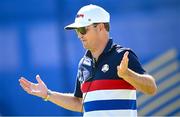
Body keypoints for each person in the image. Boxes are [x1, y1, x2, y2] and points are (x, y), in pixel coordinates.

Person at [19, 4, 157, 117]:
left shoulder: (122, 55)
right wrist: (48, 94)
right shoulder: (83, 64)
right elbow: (79, 103)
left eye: (83, 29)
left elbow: (151, 88)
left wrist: (127, 74)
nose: (79, 35)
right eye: (77, 31)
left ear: (101, 27)